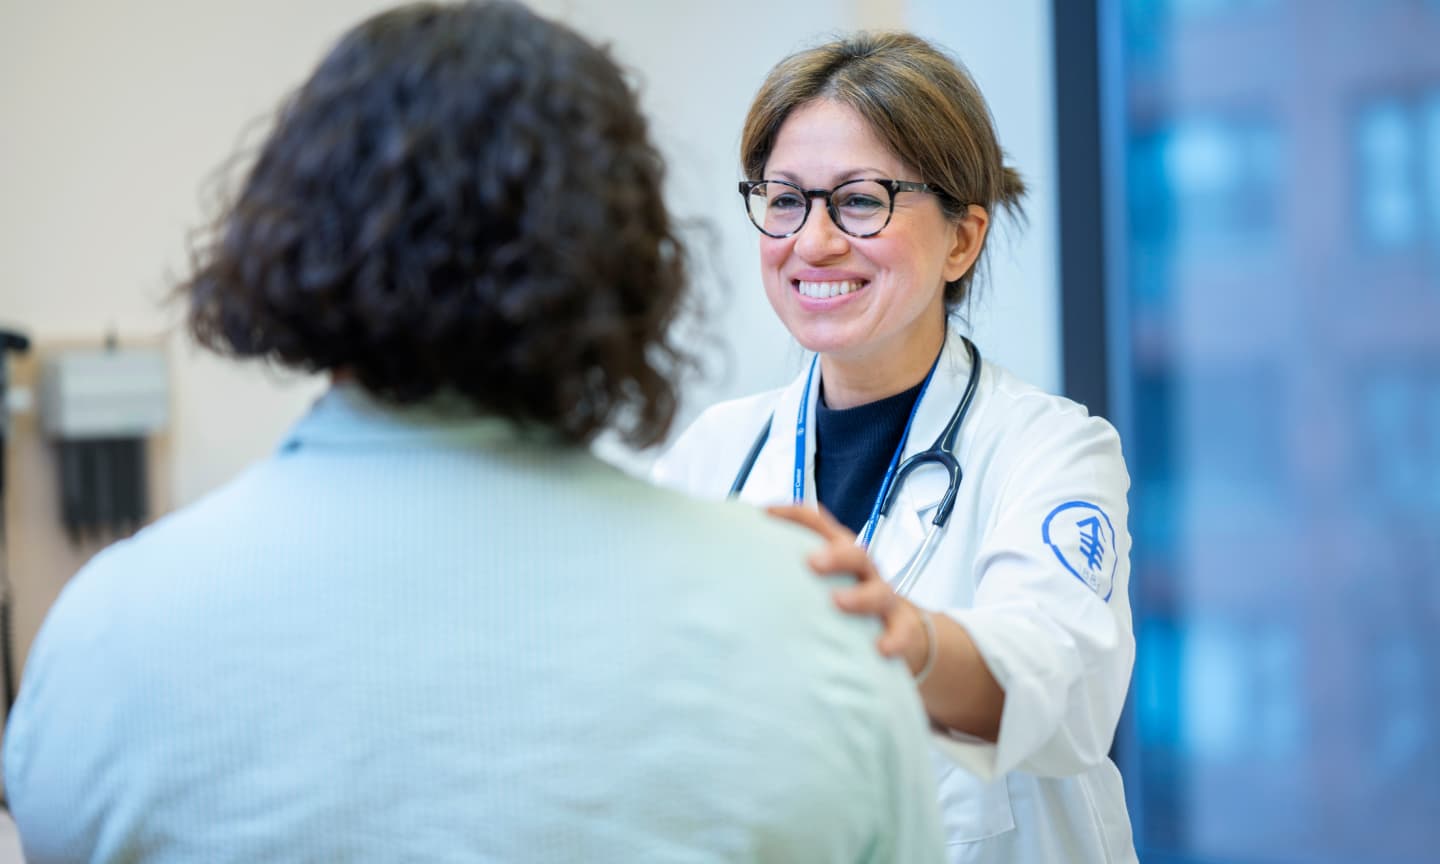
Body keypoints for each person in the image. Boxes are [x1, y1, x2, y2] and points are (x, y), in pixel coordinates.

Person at [2, 5, 945, 862]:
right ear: (626, 262)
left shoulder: (107, 637)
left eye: (858, 201)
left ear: (295, 242)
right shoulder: (817, 643)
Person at [653, 32, 1138, 863]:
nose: (814, 242)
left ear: (962, 239)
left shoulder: (1051, 451)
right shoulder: (714, 456)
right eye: (784, 199)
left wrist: (908, 641)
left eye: (862, 199)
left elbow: (1061, 693)